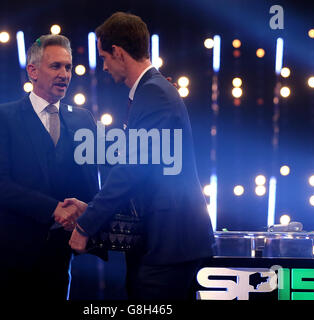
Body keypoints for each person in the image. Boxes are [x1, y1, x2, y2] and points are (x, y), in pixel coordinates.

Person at [66, 12, 215, 300]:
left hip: (169, 245)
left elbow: (131, 171)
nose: (104, 66)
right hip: (163, 242)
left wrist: (87, 223)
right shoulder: (152, 90)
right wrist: (91, 209)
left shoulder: (154, 93)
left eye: (105, 57)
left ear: (119, 53)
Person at [0, 34, 100, 300]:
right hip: (5, 258)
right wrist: (53, 209)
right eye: (55, 66)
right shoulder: (1, 117)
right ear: (32, 71)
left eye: (68, 67)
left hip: (57, 259)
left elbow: (92, 183)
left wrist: (86, 220)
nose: (64, 74)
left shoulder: (83, 120)